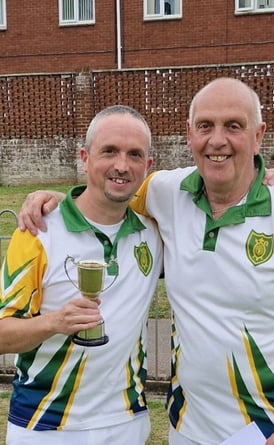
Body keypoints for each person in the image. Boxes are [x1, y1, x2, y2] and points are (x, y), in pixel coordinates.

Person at [19, 77, 274, 445]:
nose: (217, 140)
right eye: (205, 126)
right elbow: (104, 200)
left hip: (273, 432)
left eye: (234, 126)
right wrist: (52, 199)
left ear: (259, 135)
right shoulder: (164, 192)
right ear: (189, 135)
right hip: (186, 428)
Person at [0, 105, 164, 443]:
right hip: (45, 424)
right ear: (85, 158)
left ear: (147, 166)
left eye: (134, 154)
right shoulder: (37, 231)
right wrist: (54, 323)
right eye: (109, 151)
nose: (122, 165)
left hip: (126, 422)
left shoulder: (154, 232)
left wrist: (263, 176)